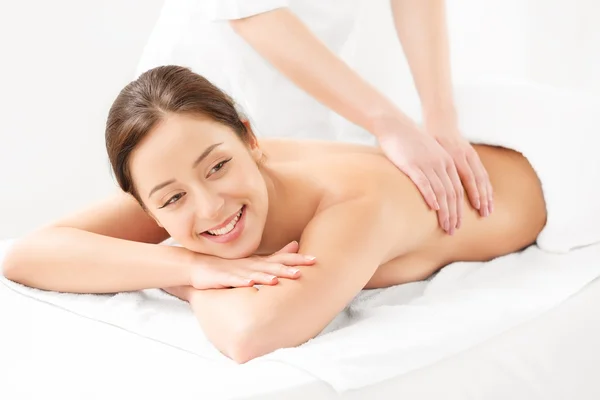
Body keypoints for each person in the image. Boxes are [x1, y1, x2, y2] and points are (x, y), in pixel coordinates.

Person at [2, 66, 547, 364]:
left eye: (218, 166)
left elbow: (252, 335)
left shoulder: (354, 205)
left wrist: (188, 275)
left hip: (555, 173)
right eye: (170, 200)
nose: (209, 206)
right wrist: (190, 267)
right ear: (147, 206)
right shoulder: (185, 175)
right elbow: (28, 255)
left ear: (251, 140)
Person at [136, 0, 495, 235]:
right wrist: (390, 123)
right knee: (201, 222)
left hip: (310, 88)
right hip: (197, 95)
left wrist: (440, 115)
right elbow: (250, 12)